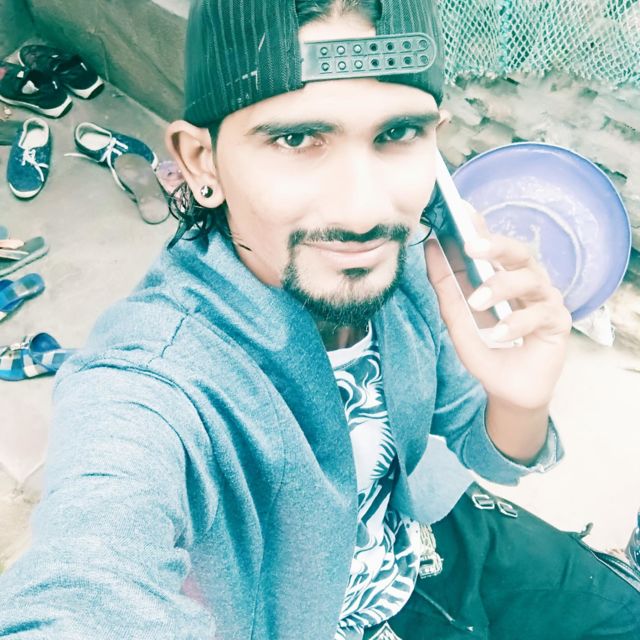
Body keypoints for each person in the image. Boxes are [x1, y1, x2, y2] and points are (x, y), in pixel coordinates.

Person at [0, 1, 638, 638]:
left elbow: (490, 452)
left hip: (421, 542)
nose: (364, 213)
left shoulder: (415, 273)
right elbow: (89, 578)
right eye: (296, 139)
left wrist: (519, 399)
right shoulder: (156, 378)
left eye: (397, 134)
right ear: (202, 162)